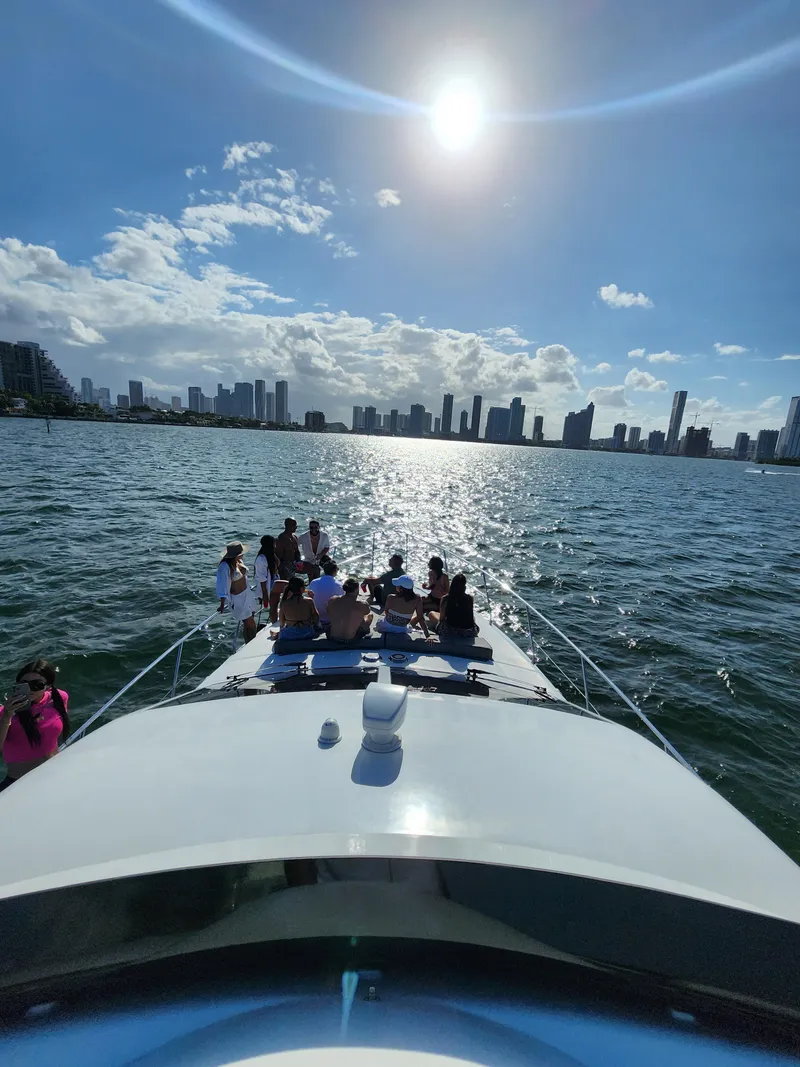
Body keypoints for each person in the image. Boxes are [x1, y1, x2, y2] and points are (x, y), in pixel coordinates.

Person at [0, 659, 70, 789]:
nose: (31, 689)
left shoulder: (59, 698)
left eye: (37, 685)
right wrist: (7, 716)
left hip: (54, 771)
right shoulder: (5, 713)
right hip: (18, 782)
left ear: (48, 685)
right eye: (24, 684)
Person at [216, 541, 257, 643]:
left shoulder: (238, 561)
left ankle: (249, 642)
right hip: (238, 599)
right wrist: (222, 603)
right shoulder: (225, 566)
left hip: (247, 594)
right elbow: (222, 584)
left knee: (250, 621)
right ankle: (252, 643)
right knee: (250, 623)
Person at [377, 576, 435, 641]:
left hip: (386, 627)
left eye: (397, 585)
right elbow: (420, 618)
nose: (396, 586)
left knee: (384, 613)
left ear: (401, 588)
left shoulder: (391, 597)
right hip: (402, 629)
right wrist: (428, 636)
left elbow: (386, 612)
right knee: (417, 616)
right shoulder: (417, 599)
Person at [428, 573, 479, 638]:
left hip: (450, 632)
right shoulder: (470, 598)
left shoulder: (445, 598)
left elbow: (442, 619)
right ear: (464, 586)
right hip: (469, 633)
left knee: (431, 614)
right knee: (474, 617)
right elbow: (471, 617)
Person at [327, 579, 374, 644]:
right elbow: (367, 612)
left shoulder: (332, 600)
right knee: (369, 615)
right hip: (350, 639)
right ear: (357, 589)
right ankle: (364, 631)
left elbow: (328, 611)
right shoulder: (362, 604)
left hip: (332, 637)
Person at [255, 535, 288, 623]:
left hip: (274, 582)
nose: (275, 545)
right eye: (274, 543)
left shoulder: (270, 555)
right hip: (269, 585)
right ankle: (275, 621)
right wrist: (265, 595)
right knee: (274, 606)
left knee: (276, 604)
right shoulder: (261, 559)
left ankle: (277, 619)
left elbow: (278, 563)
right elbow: (262, 579)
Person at [279, 575, 320, 640]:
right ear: (302, 589)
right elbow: (316, 617)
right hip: (307, 632)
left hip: (289, 634)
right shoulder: (309, 601)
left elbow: (281, 622)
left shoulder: (284, 603)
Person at [307, 559, 344, 630]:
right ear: (335, 571)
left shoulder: (313, 582)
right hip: (332, 619)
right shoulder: (339, 585)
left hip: (317, 617)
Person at [275, 517, 301, 582]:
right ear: (287, 526)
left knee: (313, 569)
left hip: (294, 563)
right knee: (289, 581)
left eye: (296, 525)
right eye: (294, 525)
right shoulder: (282, 538)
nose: (296, 527)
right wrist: (280, 568)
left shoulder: (294, 537)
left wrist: (299, 561)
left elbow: (297, 551)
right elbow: (278, 555)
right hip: (285, 564)